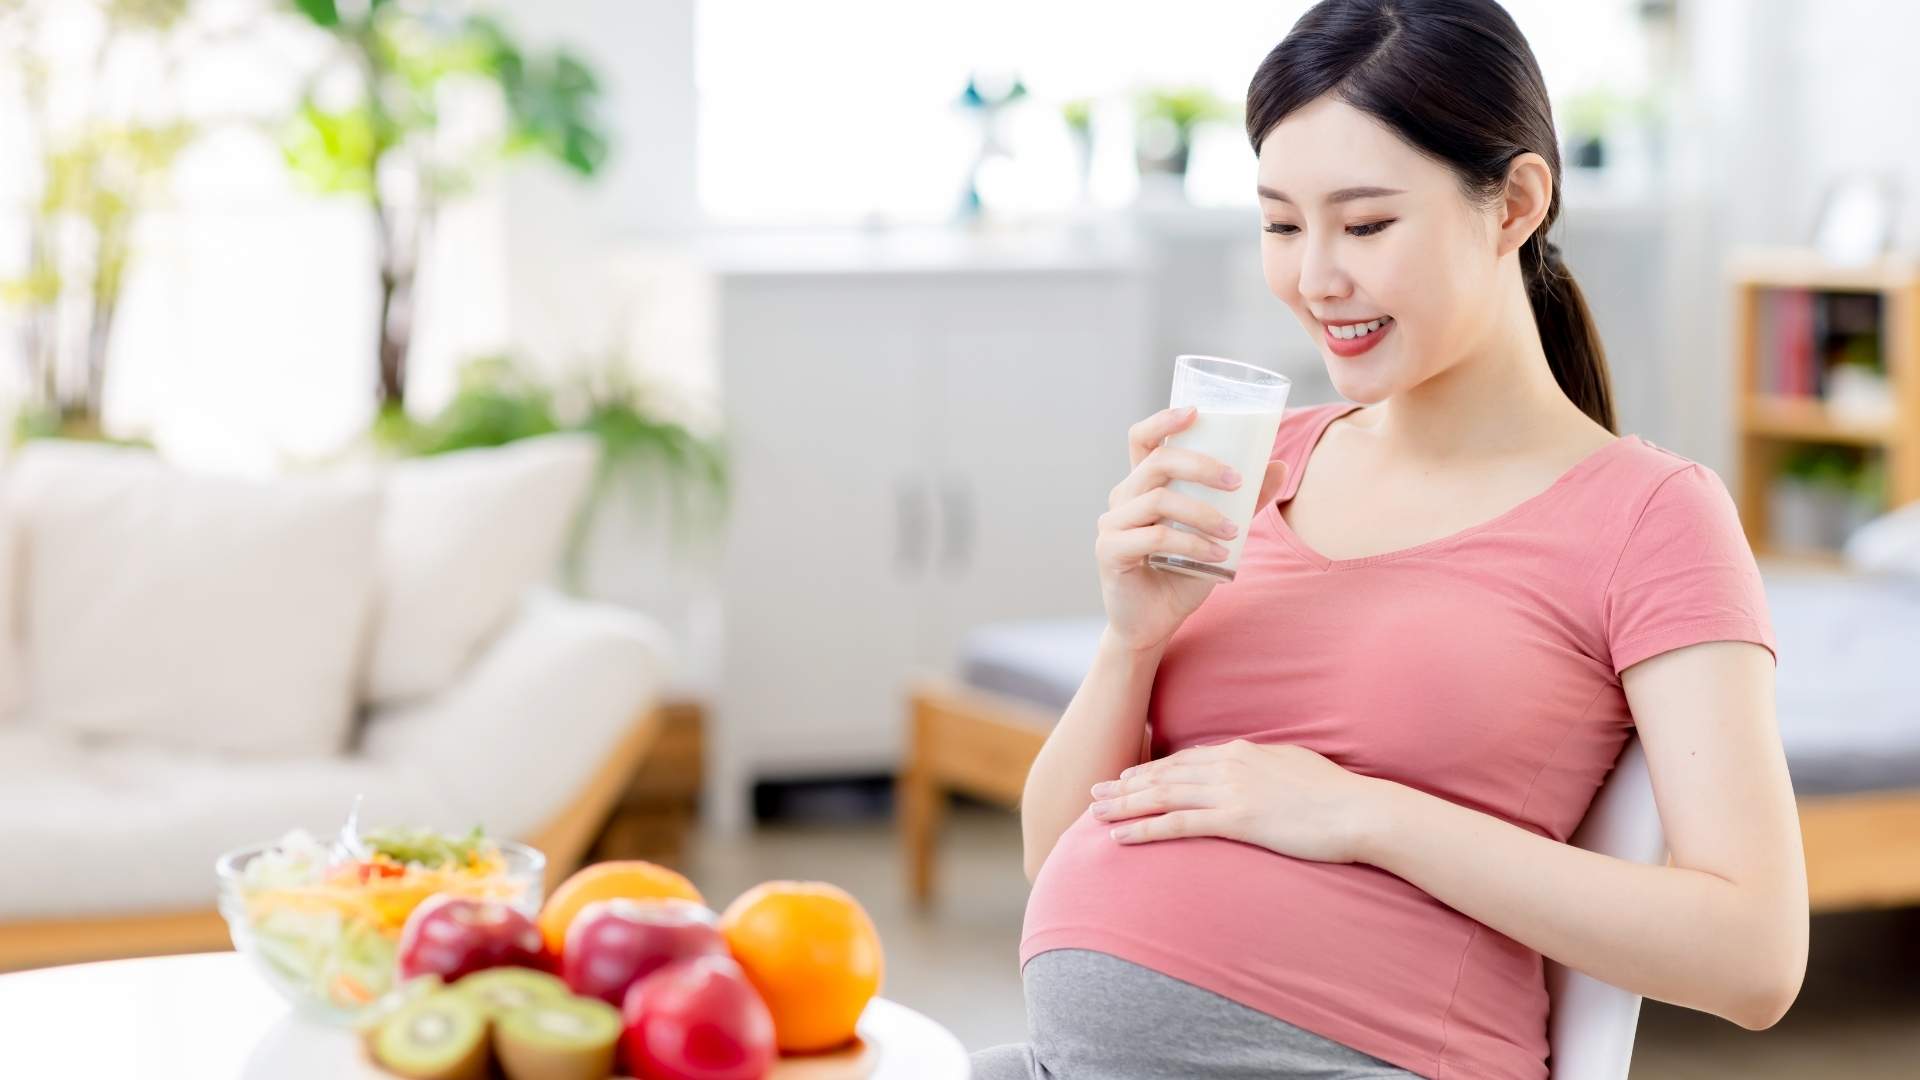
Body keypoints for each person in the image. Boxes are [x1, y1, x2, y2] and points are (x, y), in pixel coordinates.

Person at [969, 2, 1808, 1078]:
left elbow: (1755, 956)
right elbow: (1056, 857)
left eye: (1364, 226)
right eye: (1281, 224)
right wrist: (1131, 641)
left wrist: (1360, 812)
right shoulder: (1257, 465)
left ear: (1514, 203)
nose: (1315, 278)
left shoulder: (1651, 517)